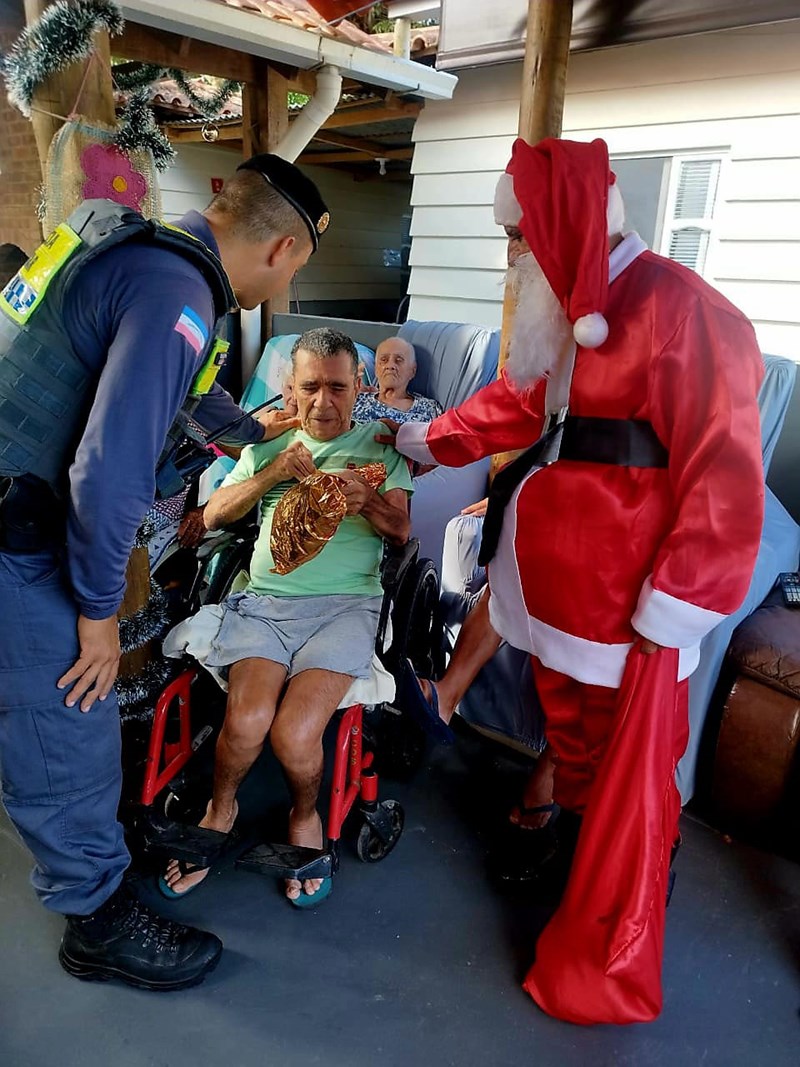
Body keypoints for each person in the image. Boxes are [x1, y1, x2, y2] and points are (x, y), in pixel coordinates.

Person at [382, 137, 765, 1023]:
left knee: (627, 763)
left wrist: (679, 601)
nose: (513, 255)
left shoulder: (685, 310)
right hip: (551, 592)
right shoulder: (566, 312)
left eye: (520, 237)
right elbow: (516, 403)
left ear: (557, 229)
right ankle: (584, 856)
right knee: (575, 739)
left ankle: (622, 895)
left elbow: (726, 473)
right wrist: (424, 440)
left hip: (625, 606)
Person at [0, 153, 328, 990]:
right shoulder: (180, 296)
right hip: (14, 531)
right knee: (68, 713)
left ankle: (99, 857)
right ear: (286, 250)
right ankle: (97, 920)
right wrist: (99, 611)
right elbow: (108, 473)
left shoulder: (144, 249)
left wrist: (258, 430)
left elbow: (189, 399)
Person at [160, 327, 412, 907]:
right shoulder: (268, 444)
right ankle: (221, 810)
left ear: (360, 387)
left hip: (345, 608)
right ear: (291, 389)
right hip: (267, 605)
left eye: (338, 388)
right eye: (311, 388)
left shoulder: (381, 447)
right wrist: (271, 473)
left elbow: (401, 531)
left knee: (296, 733)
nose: (324, 402)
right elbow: (214, 513)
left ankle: (305, 814)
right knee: (246, 721)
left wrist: (367, 501)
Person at [353, 336, 442, 424]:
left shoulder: (429, 409)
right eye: (384, 360)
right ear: (376, 369)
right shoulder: (356, 399)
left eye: (399, 360)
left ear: (412, 371)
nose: (390, 365)